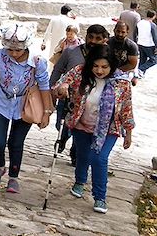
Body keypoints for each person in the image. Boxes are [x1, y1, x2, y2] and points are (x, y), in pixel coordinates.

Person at [0, 24, 53, 194]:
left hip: (25, 104)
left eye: (18, 50)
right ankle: (0, 166)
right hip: (1, 101)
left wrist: (46, 112)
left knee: (16, 142)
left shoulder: (38, 61)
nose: (14, 54)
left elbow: (44, 86)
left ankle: (13, 178)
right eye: (10, 50)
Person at [55, 45, 135, 214]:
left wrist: (128, 132)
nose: (99, 70)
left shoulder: (122, 82)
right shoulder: (80, 72)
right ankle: (80, 181)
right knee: (83, 155)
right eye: (96, 66)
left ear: (112, 66)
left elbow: (126, 107)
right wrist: (61, 88)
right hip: (81, 124)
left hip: (109, 128)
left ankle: (100, 197)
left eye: (104, 67)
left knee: (99, 159)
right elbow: (62, 82)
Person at [50, 24, 110, 166]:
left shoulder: (106, 57)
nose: (93, 41)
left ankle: (76, 152)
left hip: (89, 102)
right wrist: (52, 91)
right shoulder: (70, 52)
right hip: (68, 98)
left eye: (98, 38)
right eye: (91, 37)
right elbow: (58, 70)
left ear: (104, 40)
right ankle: (64, 136)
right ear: (86, 36)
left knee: (80, 129)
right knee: (62, 124)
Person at [134, 10, 157, 75]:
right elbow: (155, 37)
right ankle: (140, 70)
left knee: (142, 59)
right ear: (154, 16)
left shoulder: (140, 22)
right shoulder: (152, 25)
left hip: (140, 43)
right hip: (149, 45)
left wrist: (136, 41)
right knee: (154, 60)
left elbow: (135, 33)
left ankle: (140, 74)